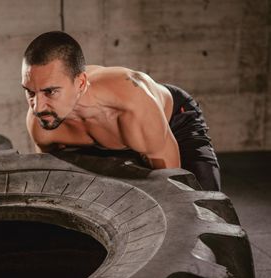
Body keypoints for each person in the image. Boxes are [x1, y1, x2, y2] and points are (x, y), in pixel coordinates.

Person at [22, 31, 221, 191]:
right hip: (110, 140)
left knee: (208, 208)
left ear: (81, 83)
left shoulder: (132, 104)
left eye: (50, 92)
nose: (38, 107)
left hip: (173, 120)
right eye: (30, 92)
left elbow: (174, 190)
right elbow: (51, 182)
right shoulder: (42, 122)